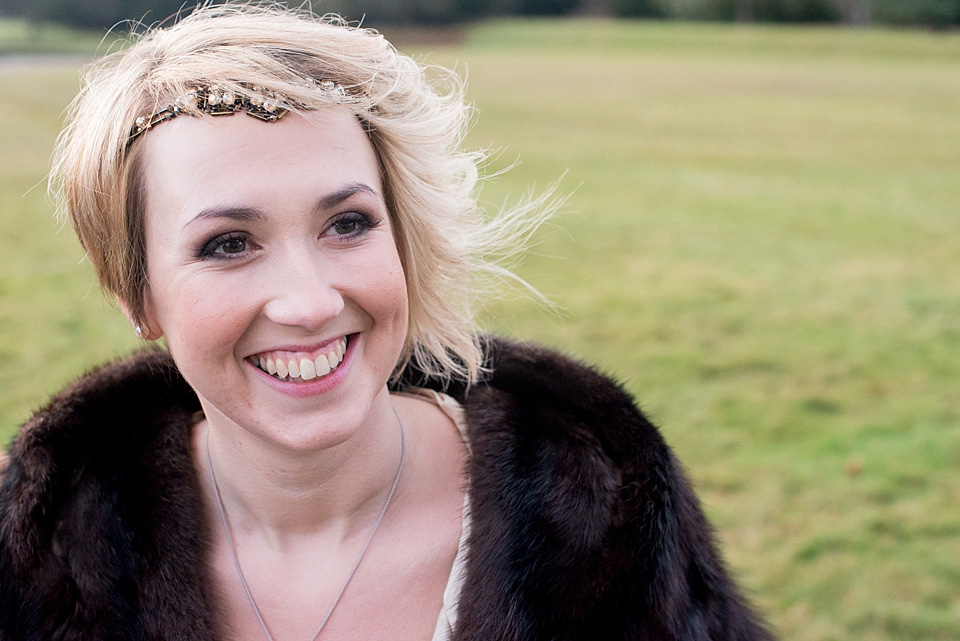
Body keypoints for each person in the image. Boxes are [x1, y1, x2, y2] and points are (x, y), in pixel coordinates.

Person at [0, 4, 773, 640]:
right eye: (228, 244)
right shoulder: (38, 554)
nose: (307, 303)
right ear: (137, 296)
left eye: (346, 224)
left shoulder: (599, 504)